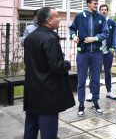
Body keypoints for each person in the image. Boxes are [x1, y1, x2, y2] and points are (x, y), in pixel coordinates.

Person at [23, 7, 75, 138]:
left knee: (31, 127)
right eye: (57, 16)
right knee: (49, 132)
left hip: (32, 90)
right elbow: (56, 66)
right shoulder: (49, 38)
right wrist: (67, 64)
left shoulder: (31, 37)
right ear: (48, 20)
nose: (60, 19)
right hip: (47, 93)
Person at [69, 0, 109, 116]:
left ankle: (95, 103)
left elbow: (105, 33)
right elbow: (72, 29)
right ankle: (81, 105)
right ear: (88, 4)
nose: (97, 5)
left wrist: (94, 38)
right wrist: (74, 37)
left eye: (97, 4)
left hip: (97, 53)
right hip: (83, 53)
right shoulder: (80, 16)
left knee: (95, 80)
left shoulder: (101, 18)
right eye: (94, 4)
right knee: (81, 80)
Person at [86, 4, 116, 101]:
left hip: (107, 52)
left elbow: (115, 36)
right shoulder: (95, 21)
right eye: (102, 10)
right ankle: (92, 92)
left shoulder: (111, 22)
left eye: (105, 10)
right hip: (96, 52)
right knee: (94, 73)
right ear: (99, 11)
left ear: (107, 11)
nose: (104, 11)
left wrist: (112, 47)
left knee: (108, 72)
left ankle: (109, 91)